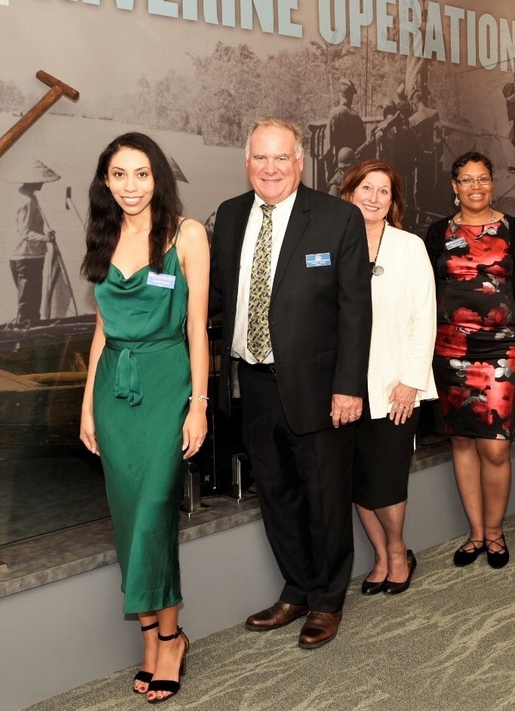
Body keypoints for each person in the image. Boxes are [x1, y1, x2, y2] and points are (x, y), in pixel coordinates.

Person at [209, 118, 371, 649]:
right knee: (275, 494)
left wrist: (349, 387)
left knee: (324, 496)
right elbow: (219, 299)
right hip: (251, 383)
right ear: (247, 162)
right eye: (260, 158)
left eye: (281, 158)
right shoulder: (231, 216)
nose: (271, 168)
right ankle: (297, 588)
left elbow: (354, 312)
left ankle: (327, 600)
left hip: (320, 387)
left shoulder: (337, 218)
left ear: (300, 162)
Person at [79, 132, 209, 703]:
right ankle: (156, 637)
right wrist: (87, 404)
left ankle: (172, 637)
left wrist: (198, 404)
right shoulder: (104, 234)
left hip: (165, 384)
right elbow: (103, 328)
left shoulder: (187, 235)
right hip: (114, 391)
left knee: (156, 509)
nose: (131, 186)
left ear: (158, 177)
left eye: (141, 174)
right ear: (106, 181)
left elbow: (197, 328)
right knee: (130, 517)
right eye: (119, 174)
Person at [425, 151, 515, 568]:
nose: (475, 186)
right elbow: (425, 293)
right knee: (461, 441)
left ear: (492, 183)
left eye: (482, 179)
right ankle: (475, 534)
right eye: (466, 180)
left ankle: (496, 532)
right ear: (454, 187)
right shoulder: (437, 233)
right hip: (450, 350)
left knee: (495, 447)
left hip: (503, 350)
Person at [340, 159, 436, 595]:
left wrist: (410, 380)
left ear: (393, 201)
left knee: (387, 476)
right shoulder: (331, 244)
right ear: (349, 193)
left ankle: (398, 552)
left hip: (396, 384)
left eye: (384, 191)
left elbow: (425, 317)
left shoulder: (409, 246)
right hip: (343, 386)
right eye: (366, 188)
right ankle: (379, 555)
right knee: (358, 478)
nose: (374, 198)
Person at [10, 160, 60, 325]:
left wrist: (44, 236)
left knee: (29, 296)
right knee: (30, 297)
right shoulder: (27, 201)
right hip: (27, 255)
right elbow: (24, 231)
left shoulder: (23, 196)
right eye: (40, 181)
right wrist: (45, 238)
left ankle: (29, 325)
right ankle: (27, 329)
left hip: (21, 254)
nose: (42, 184)